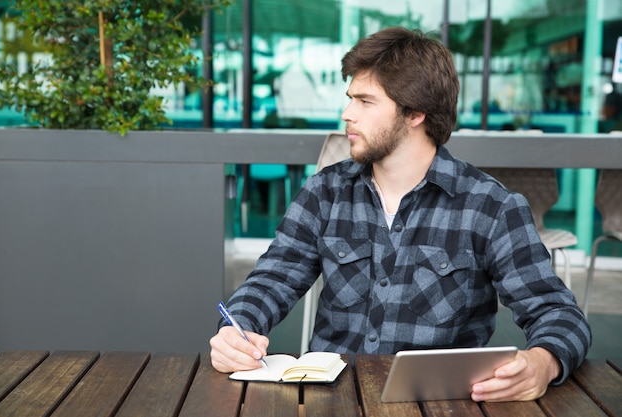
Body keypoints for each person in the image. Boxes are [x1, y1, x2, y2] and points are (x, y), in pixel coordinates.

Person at [210, 27, 591, 402]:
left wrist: (543, 363)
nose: (346, 114)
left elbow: (559, 315)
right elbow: (270, 281)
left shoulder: (489, 207)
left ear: (415, 113)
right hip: (332, 401)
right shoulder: (324, 192)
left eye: (365, 101)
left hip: (441, 406)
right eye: (350, 99)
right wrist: (236, 330)